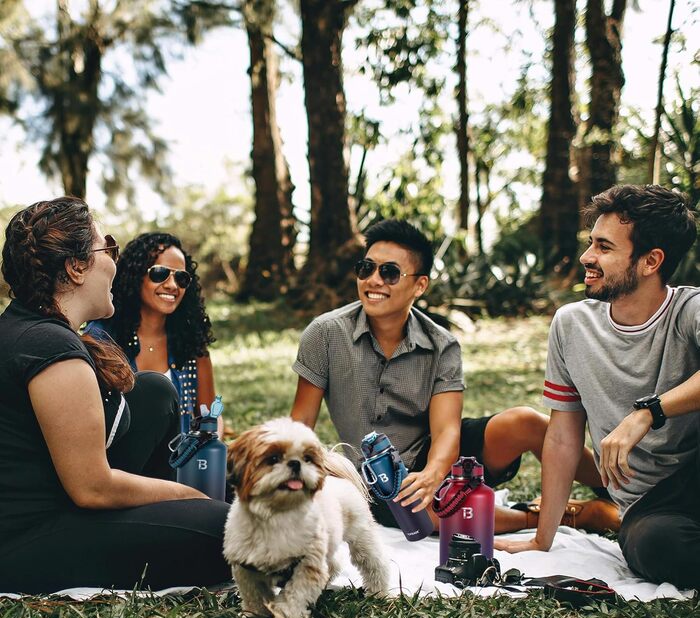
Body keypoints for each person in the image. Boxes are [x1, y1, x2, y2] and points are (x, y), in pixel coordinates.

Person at [290, 219, 619, 533]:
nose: (374, 280)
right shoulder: (325, 334)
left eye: (389, 272)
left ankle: (619, 491)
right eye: (366, 269)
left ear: (419, 285)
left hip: (434, 453)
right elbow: (300, 424)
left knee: (526, 422)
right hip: (375, 478)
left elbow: (447, 430)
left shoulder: (442, 345)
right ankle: (568, 516)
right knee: (425, 512)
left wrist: (433, 474)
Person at [0, 198, 230, 593]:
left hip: (59, 502)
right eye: (107, 248)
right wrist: (189, 497)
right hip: (29, 539)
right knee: (232, 530)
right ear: (75, 267)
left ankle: (179, 516)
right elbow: (92, 488)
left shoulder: (30, 326)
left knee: (155, 390)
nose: (114, 261)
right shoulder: (49, 348)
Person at [496, 184, 700, 590]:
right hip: (651, 504)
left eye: (604, 247)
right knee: (653, 547)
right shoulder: (572, 325)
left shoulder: (689, 309)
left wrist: (649, 411)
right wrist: (542, 538)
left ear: (651, 261)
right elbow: (562, 439)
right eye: (591, 243)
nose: (587, 257)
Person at [86, 232, 221, 433]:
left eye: (181, 278)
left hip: (178, 461)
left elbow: (210, 417)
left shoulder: (191, 343)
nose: (172, 285)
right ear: (135, 275)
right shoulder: (100, 338)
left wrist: (209, 452)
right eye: (160, 273)